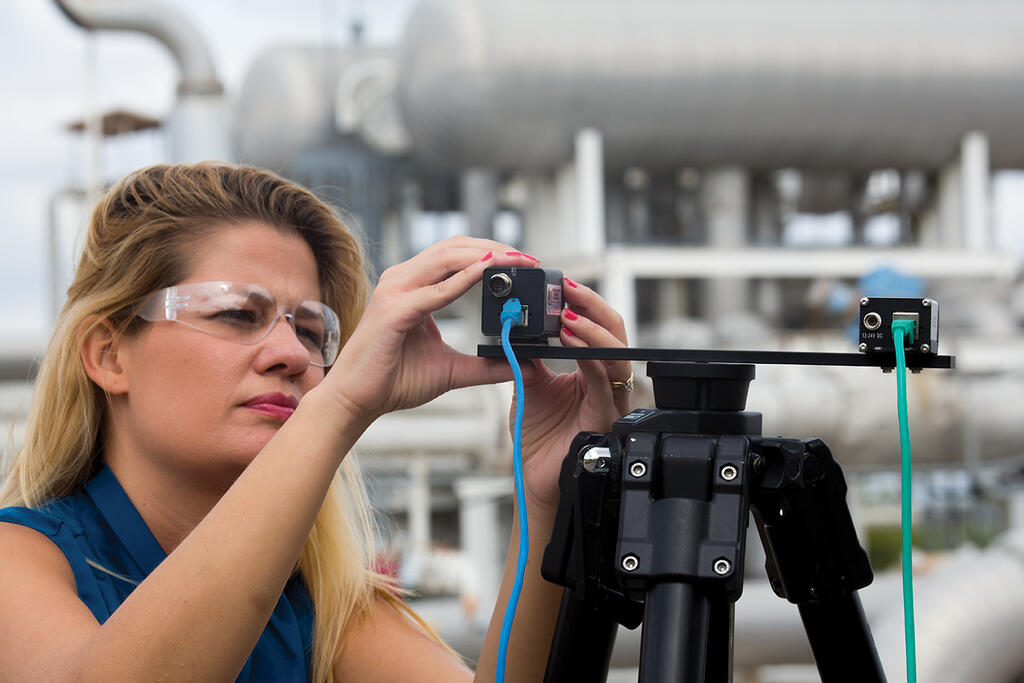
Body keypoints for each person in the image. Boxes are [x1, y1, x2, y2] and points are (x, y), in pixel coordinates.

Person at [0, 162, 632, 681]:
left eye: (311, 330)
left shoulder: (325, 607)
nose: (294, 355)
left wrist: (550, 499)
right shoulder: (22, 562)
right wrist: (338, 411)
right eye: (234, 315)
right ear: (109, 355)